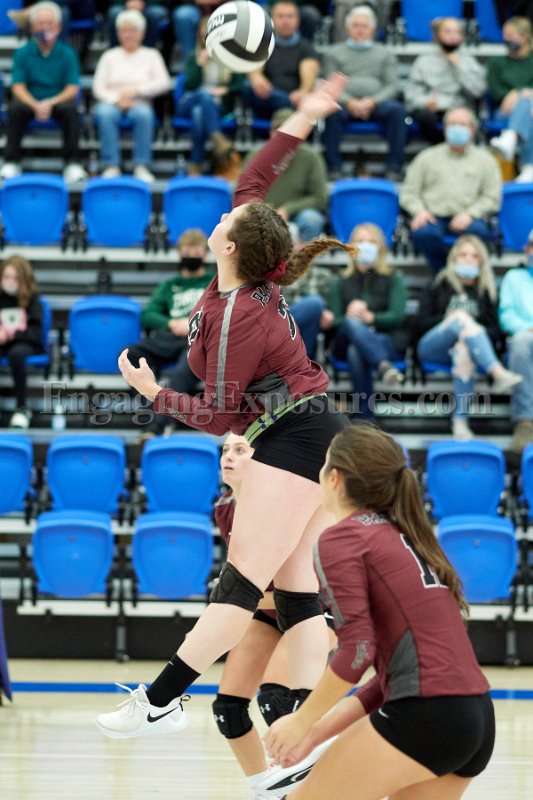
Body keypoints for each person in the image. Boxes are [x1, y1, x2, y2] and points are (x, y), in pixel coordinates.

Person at [95, 73, 353, 740]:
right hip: (312, 431)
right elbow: (257, 176)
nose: (219, 217)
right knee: (295, 592)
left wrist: (153, 394)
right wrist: (305, 114)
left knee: (241, 584)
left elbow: (215, 414)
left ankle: (158, 701)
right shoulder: (243, 274)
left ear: (231, 247)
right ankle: (306, 725)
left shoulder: (239, 315)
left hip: (295, 436)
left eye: (224, 223)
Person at [261, 423, 495, 800]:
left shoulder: (344, 537)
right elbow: (390, 677)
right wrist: (314, 733)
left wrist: (301, 721)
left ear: (334, 477)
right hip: (475, 717)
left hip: (426, 714)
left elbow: (357, 650)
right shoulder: (407, 536)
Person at [212, 433, 336, 800]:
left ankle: (317, 787)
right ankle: (268, 790)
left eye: (240, 450)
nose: (229, 457)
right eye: (225, 450)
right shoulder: (226, 506)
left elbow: (303, 589)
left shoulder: (293, 502)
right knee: (228, 709)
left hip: (320, 608)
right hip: (270, 607)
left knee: (276, 700)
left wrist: (230, 593)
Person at [416, 234, 522, 441]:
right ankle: (497, 372)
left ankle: (460, 422)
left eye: (474, 256)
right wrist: (449, 319)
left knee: (463, 349)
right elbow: (419, 324)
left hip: (469, 351)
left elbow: (496, 331)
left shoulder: (487, 292)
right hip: (432, 347)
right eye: (463, 255)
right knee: (459, 317)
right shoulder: (438, 284)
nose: (468, 260)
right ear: (454, 258)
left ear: (481, 262)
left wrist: (469, 332)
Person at [400, 106, 502, 273]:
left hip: (469, 217)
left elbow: (492, 197)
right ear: (445, 128)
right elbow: (408, 192)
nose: (457, 129)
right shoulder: (426, 157)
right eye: (452, 124)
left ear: (472, 130)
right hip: (433, 217)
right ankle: (445, 273)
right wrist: (419, 211)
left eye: (462, 124)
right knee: (423, 234)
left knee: (480, 231)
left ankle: (461, 273)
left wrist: (470, 214)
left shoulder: (486, 161)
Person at [0, 1, 86, 183]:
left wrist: (50, 103)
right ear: (32, 27)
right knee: (15, 108)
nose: (45, 27)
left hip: (58, 102)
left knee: (71, 109)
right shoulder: (23, 52)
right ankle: (11, 161)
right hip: (30, 101)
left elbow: (72, 88)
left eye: (49, 23)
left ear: (59, 27)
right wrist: (35, 104)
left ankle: (72, 164)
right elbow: (18, 86)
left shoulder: (68, 53)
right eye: (40, 23)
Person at [322, 4, 407, 181]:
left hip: (377, 103)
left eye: (364, 26)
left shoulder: (384, 53)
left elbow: (392, 86)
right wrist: (350, 101)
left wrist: (372, 101)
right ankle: (334, 168)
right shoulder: (333, 53)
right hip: (344, 103)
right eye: (356, 25)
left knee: (397, 111)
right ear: (347, 29)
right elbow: (330, 85)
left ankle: (394, 168)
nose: (360, 30)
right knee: (331, 112)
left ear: (373, 30)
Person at [331, 222, 407, 419]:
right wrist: (350, 316)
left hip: (383, 340)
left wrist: (370, 317)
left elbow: (398, 316)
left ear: (380, 247)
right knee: (352, 324)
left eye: (371, 241)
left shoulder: (393, 278)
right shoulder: (340, 280)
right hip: (344, 340)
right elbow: (334, 321)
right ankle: (383, 366)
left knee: (356, 350)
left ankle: (364, 417)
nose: (365, 245)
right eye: (360, 241)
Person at [92, 9, 171, 182]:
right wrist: (116, 100)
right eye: (124, 31)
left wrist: (138, 91)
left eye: (133, 30)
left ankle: (141, 166)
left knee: (143, 114)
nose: (128, 35)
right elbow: (98, 87)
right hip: (112, 102)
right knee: (105, 113)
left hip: (140, 102)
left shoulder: (151, 55)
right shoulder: (109, 56)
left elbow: (164, 82)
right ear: (118, 33)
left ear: (142, 33)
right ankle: (111, 165)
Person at [244, 107, 328, 244]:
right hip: (261, 214)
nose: (285, 139)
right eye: (280, 133)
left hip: (297, 215)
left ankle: (302, 255)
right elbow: (244, 193)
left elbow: (320, 198)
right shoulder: (255, 156)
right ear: (271, 133)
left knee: (312, 219)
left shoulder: (312, 158)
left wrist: (288, 209)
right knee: (245, 219)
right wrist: (266, 213)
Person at [176, 15, 244, 176]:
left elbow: (240, 84)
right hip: (190, 102)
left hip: (217, 106)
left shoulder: (232, 56)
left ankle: (195, 163)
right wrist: (200, 64)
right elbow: (188, 86)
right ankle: (217, 138)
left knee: (199, 113)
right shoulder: (193, 56)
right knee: (203, 95)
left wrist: (225, 89)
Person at [404, 16, 486, 145]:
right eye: (448, 32)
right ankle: (439, 148)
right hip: (431, 109)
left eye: (457, 32)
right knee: (424, 117)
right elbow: (411, 92)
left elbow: (477, 91)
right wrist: (424, 102)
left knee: (461, 119)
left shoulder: (468, 61)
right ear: (437, 36)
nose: (453, 36)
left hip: (458, 108)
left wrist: (459, 66)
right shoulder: (424, 61)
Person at [244, 1, 320, 120]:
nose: (285, 21)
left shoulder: (306, 48)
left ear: (297, 21)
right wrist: (256, 78)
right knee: (248, 85)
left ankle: (288, 105)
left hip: (295, 99)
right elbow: (255, 70)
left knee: (305, 98)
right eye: (280, 16)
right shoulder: (263, 43)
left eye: (290, 16)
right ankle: (287, 104)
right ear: (272, 20)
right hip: (266, 100)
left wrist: (303, 92)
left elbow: (308, 81)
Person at [498, 228, 533, 454]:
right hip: (525, 336)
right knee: (521, 341)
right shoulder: (513, 277)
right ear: (527, 250)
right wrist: (527, 328)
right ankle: (525, 422)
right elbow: (506, 315)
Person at [0, 256, 45, 430]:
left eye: (15, 278)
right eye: (6, 277)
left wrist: (12, 334)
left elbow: (36, 334)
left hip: (26, 344)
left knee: (16, 354)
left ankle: (22, 408)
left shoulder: (32, 301)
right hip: (3, 343)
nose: (10, 281)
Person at [488, 17, 533, 184]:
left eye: (510, 35)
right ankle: (529, 166)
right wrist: (517, 94)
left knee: (527, 105)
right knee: (526, 106)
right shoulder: (497, 62)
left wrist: (519, 92)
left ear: (524, 37)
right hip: (504, 111)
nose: (505, 39)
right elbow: (495, 91)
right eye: (504, 35)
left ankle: (510, 137)